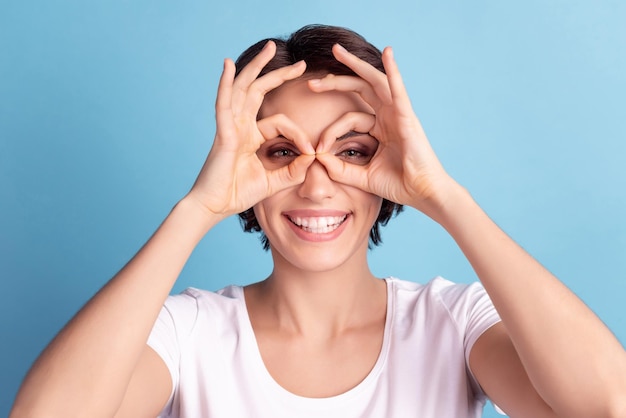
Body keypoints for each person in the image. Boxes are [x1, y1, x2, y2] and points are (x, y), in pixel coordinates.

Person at [9, 24, 626, 418]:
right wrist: (197, 209)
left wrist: (442, 196)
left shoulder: (452, 322)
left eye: (352, 150)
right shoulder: (185, 332)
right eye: (282, 151)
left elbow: (606, 405)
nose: (315, 180)